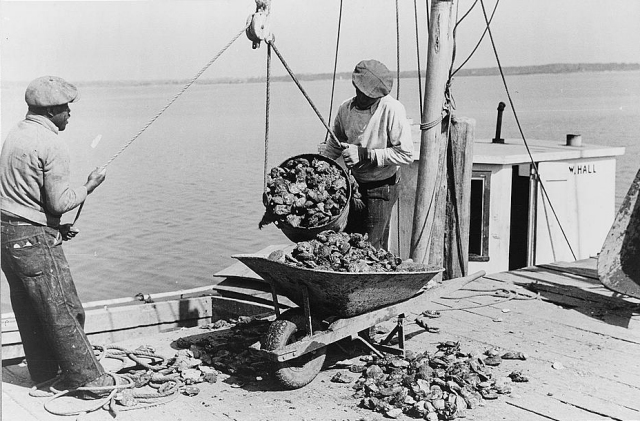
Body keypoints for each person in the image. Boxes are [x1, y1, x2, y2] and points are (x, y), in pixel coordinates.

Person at [0, 76, 111, 391]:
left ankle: (45, 373)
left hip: (7, 235)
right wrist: (89, 186)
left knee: (30, 308)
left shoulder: (15, 134)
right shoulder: (51, 144)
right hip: (32, 239)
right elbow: (60, 201)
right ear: (50, 111)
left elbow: (20, 197)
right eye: (65, 108)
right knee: (62, 305)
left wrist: (54, 225)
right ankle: (90, 381)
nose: (69, 114)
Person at [319, 59, 414, 250]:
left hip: (381, 187)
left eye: (371, 96)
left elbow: (406, 154)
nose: (364, 98)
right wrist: (321, 166)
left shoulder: (392, 109)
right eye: (361, 92)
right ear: (356, 86)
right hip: (354, 187)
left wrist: (365, 154)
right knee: (348, 242)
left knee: (370, 247)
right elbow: (334, 144)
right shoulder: (345, 109)